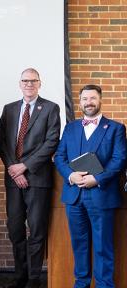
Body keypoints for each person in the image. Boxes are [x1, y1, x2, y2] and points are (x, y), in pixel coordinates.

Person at [54, 84, 126, 288]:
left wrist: (98, 178)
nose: (89, 102)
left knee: (103, 246)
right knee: (79, 245)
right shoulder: (71, 127)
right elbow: (60, 156)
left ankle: (104, 285)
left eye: (93, 98)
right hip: (74, 196)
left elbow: (119, 159)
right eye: (85, 99)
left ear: (100, 100)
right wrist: (70, 175)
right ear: (80, 101)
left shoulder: (116, 128)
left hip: (101, 195)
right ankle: (82, 284)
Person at [0, 68, 61, 288]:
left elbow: (51, 142)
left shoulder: (51, 108)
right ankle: (20, 276)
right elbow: (3, 144)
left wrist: (25, 166)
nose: (29, 84)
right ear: (20, 83)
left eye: (33, 81)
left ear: (39, 83)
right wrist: (15, 171)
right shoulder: (9, 109)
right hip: (14, 181)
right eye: (25, 81)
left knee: (36, 230)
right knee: (15, 229)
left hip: (38, 179)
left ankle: (34, 278)